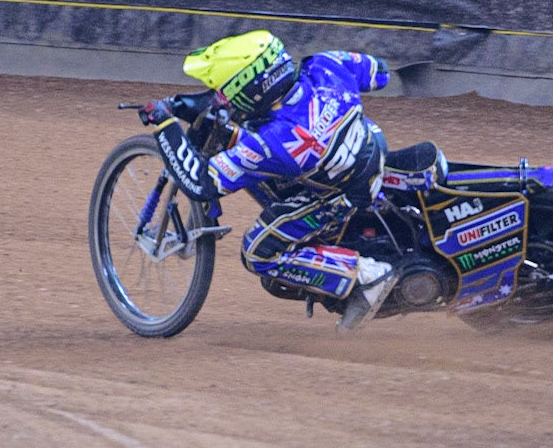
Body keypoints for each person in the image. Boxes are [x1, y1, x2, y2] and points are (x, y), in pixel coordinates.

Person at [139, 30, 398, 332]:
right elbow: (380, 73)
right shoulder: (324, 64)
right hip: (371, 152)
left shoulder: (270, 144)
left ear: (250, 89)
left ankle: (367, 277)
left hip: (341, 194)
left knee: (257, 251)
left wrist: (166, 126)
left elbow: (201, 183)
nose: (223, 99)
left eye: (226, 91)